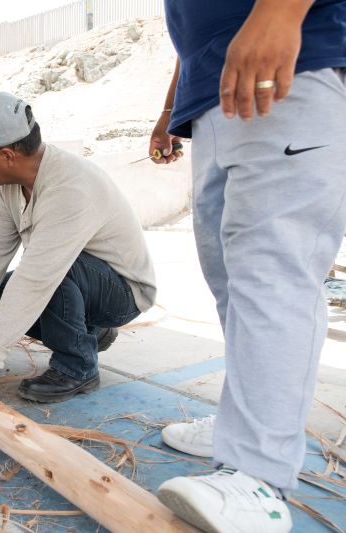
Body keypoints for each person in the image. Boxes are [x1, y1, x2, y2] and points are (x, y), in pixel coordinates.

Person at [149, 2, 346, 532]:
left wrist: (279, 13)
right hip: (210, 91)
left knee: (272, 269)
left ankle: (259, 477)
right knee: (229, 279)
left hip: (289, 61)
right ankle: (238, 423)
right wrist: (171, 107)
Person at [0, 92, 155, 408]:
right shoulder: (11, 184)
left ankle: (78, 367)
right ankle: (91, 334)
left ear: (8, 155)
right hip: (83, 281)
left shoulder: (69, 186)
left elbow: (37, 277)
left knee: (45, 277)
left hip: (123, 293)